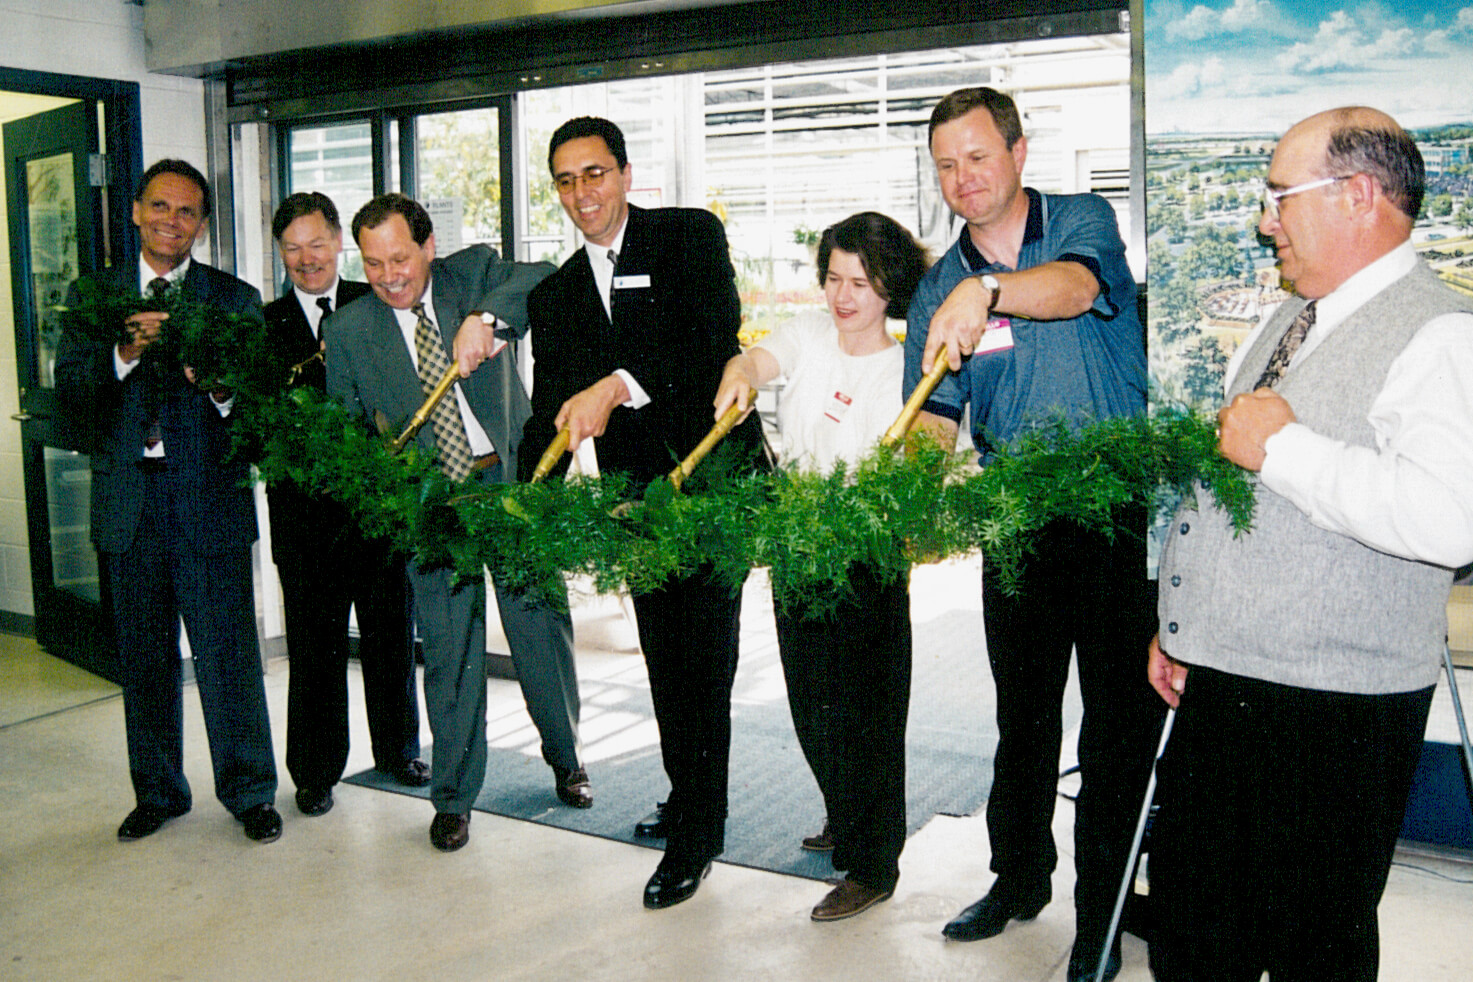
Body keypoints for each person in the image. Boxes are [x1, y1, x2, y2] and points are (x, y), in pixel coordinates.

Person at [1148, 106, 1473, 981]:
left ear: (1358, 196)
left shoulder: (1440, 332)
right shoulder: (1287, 318)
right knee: (1190, 926)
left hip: (1334, 710)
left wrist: (1283, 447)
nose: (1263, 221)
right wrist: (1182, 625)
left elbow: (1449, 519)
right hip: (1226, 681)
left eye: (1278, 197)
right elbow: (1225, 487)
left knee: (1310, 945)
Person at [902, 88, 1163, 981]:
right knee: (1022, 716)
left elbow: (1079, 289)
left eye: (977, 156)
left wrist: (990, 292)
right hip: (1014, 511)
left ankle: (1103, 911)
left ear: (1018, 149)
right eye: (945, 164)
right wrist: (893, 494)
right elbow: (935, 421)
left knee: (1118, 724)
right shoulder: (937, 288)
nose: (962, 179)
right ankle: (1018, 878)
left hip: (1115, 505)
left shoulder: (1081, 219)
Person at [520, 116, 767, 909]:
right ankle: (689, 796)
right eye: (564, 180)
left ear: (625, 174)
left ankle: (700, 831)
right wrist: (526, 502)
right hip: (636, 502)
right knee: (666, 656)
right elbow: (547, 411)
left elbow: (709, 341)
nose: (580, 194)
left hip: (711, 480)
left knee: (704, 656)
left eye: (593, 174)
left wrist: (616, 383)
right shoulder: (554, 296)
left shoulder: (686, 238)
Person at [325, 193, 589, 853]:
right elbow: (345, 427)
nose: (389, 275)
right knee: (448, 652)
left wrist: (485, 317)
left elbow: (542, 274)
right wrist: (377, 473)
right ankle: (453, 799)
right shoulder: (350, 328)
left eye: (400, 258)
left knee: (539, 630)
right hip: (432, 506)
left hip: (506, 486)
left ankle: (566, 759)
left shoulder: (472, 274)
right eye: (374, 262)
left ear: (428, 247)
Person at [54, 159, 282, 844]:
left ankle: (250, 792)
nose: (171, 221)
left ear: (202, 224)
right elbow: (71, 390)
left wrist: (218, 387)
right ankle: (157, 792)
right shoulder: (93, 295)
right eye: (159, 207)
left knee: (228, 656)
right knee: (145, 658)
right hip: (129, 507)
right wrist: (123, 352)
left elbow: (260, 410)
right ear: (135, 210)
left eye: (186, 212)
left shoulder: (235, 300)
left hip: (209, 503)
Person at [714, 212, 929, 921]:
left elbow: (930, 466)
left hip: (867, 554)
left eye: (860, 283)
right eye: (833, 279)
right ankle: (844, 810)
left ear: (888, 287)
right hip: (796, 543)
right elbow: (756, 361)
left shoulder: (910, 367)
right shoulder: (808, 337)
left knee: (868, 714)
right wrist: (739, 373)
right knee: (812, 703)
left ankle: (874, 866)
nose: (843, 296)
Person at [264, 192, 428, 818]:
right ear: (281, 254)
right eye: (292, 248)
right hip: (304, 522)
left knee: (391, 636)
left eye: (316, 243)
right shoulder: (264, 323)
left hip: (379, 513)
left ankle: (399, 751)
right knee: (314, 650)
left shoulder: (376, 302)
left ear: (339, 243)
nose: (306, 259)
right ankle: (313, 771)